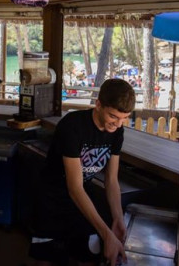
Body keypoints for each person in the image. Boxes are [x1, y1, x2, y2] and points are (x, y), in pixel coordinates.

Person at [29, 79, 135, 265]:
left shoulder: (117, 132)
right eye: (113, 116)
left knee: (88, 253)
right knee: (47, 259)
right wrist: (107, 234)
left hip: (82, 201)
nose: (118, 124)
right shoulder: (72, 126)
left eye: (124, 118)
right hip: (51, 199)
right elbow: (74, 187)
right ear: (98, 104)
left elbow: (111, 181)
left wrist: (117, 218)